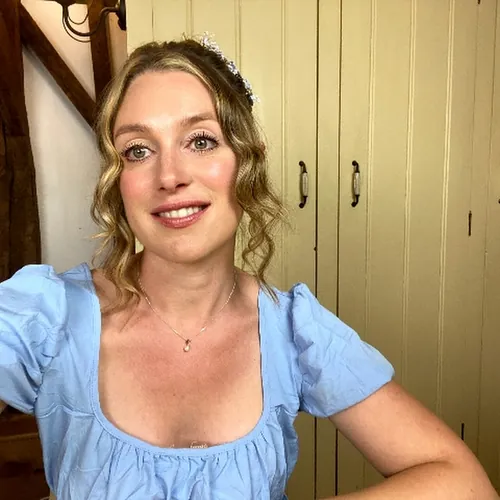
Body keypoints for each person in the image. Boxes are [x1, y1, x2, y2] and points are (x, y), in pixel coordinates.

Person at [0, 35, 497, 500]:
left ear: (246, 161)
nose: (169, 176)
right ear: (118, 180)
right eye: (138, 150)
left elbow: (464, 483)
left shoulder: (294, 328)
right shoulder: (46, 316)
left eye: (200, 141)